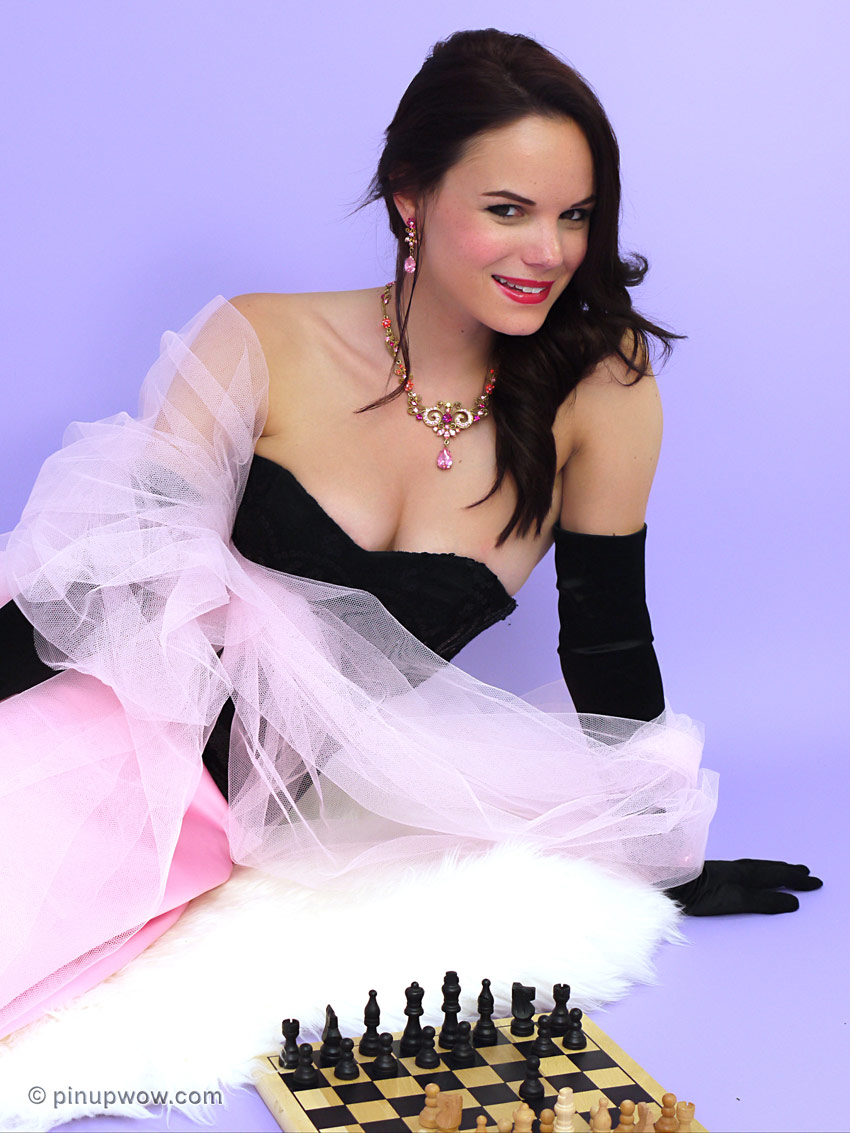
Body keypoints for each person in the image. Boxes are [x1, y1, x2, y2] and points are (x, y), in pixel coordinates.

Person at [0, 28, 819, 1040]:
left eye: (574, 215)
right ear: (410, 200)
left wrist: (663, 854)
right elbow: (111, 585)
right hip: (93, 719)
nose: (549, 251)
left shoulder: (601, 387)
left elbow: (607, 636)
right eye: (507, 210)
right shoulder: (263, 338)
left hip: (217, 806)